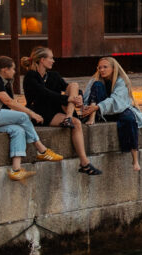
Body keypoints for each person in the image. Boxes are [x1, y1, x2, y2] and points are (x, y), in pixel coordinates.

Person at [22, 46, 100, 175]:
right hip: (40, 112)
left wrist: (79, 97)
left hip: (56, 108)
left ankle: (68, 118)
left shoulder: (53, 75)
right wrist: (68, 99)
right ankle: (85, 163)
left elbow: (68, 88)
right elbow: (44, 94)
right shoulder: (31, 77)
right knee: (76, 120)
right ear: (42, 60)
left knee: (74, 85)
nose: (53, 61)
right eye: (51, 58)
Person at [86, 56, 142, 172]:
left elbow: (117, 101)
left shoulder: (121, 81)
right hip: (100, 112)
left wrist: (98, 106)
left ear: (113, 68)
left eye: (105, 67)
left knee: (130, 119)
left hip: (119, 108)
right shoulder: (96, 80)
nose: (102, 70)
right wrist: (90, 108)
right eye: (100, 67)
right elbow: (87, 98)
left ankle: (135, 159)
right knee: (97, 85)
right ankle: (92, 117)